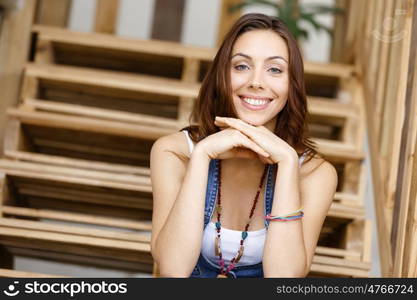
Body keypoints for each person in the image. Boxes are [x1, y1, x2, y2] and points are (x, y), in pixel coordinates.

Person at [150, 13, 338, 278]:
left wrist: (286, 161)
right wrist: (203, 155)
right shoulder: (173, 152)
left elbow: (284, 280)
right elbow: (173, 270)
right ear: (221, 76)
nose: (256, 82)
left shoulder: (315, 174)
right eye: (241, 66)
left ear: (292, 84)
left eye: (274, 69)